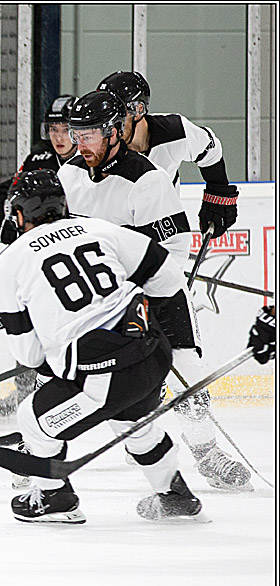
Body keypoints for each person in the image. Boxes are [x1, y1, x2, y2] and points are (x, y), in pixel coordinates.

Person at [59, 90, 251, 491]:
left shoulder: (147, 180)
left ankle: (207, 452)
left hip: (158, 294)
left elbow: (172, 251)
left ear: (114, 132)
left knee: (186, 374)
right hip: (100, 297)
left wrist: (134, 292)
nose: (80, 144)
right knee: (61, 370)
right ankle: (41, 452)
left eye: (89, 135)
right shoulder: (69, 175)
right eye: (76, 135)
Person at [0, 169, 203, 523]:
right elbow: (167, 275)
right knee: (133, 418)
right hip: (153, 354)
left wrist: (63, 353)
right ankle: (174, 495)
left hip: (104, 373)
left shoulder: (7, 264)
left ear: (20, 214)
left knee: (32, 419)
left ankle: (54, 497)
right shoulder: (98, 229)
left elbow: (29, 355)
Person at [0, 94, 78, 422]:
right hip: (43, 261)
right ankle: (26, 394)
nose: (58, 137)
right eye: (53, 129)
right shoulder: (40, 157)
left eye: (65, 129)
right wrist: (11, 226)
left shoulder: (92, 161)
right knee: (32, 322)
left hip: (80, 259)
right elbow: (6, 193)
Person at [97, 71, 238, 239]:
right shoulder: (95, 147)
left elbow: (209, 149)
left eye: (118, 116)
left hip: (164, 238)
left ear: (138, 110)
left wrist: (218, 192)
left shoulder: (175, 132)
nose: (109, 126)